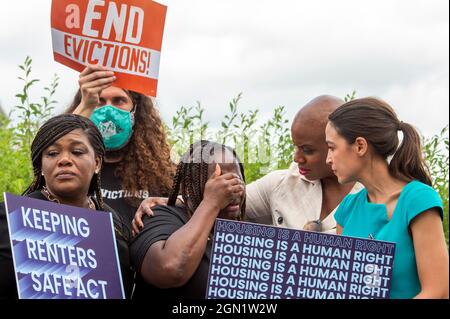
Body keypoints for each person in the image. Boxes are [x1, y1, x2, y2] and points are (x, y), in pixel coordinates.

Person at [132, 95, 362, 235]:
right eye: (295, 147)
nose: (296, 158)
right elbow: (228, 202)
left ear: (335, 145)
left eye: (308, 150)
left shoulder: (374, 198)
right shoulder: (281, 183)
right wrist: (169, 202)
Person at [326, 97, 449, 299]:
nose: (328, 159)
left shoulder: (417, 200)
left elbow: (439, 291)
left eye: (332, 147)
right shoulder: (347, 208)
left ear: (360, 146)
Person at [0, 114, 133, 299]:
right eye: (52, 153)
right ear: (41, 166)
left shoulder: (114, 223)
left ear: (97, 163)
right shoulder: (9, 217)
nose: (64, 160)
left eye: (77, 152)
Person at [129, 140, 245, 299]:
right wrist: (211, 202)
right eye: (222, 181)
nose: (233, 189)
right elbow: (170, 268)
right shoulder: (158, 216)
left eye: (236, 180)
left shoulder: (238, 236)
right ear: (191, 185)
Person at [66, 65, 175, 227]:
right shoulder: (67, 170)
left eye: (119, 101)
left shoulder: (163, 177)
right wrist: (85, 105)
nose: (109, 110)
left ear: (135, 112)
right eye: (99, 102)